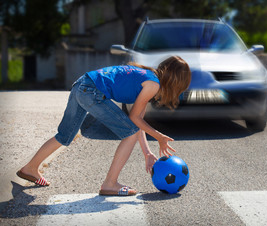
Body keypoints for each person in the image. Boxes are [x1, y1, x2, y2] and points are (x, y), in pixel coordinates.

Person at [16, 56, 191, 196]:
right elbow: (134, 119)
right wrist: (160, 137)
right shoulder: (153, 85)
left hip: (81, 85)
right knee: (129, 134)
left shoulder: (148, 77)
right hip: (91, 91)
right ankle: (110, 184)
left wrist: (148, 153)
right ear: (175, 83)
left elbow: (138, 121)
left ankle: (30, 168)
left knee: (64, 136)